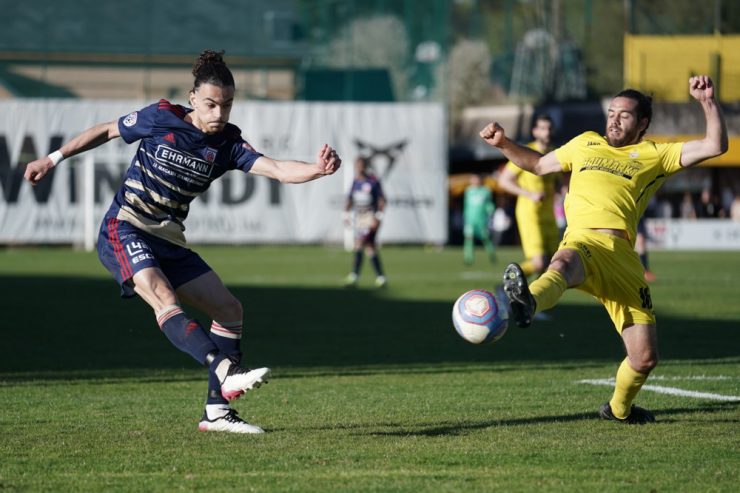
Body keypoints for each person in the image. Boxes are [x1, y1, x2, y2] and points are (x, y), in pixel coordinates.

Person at [24, 50, 342, 434]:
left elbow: (275, 169)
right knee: (163, 297)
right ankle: (225, 371)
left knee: (229, 309)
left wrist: (316, 169)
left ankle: (217, 413)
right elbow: (107, 130)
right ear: (192, 98)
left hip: (168, 238)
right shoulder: (162, 118)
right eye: (210, 104)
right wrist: (52, 158)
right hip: (125, 226)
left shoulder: (227, 144)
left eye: (226, 106)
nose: (218, 114)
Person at [479, 75, 727, 425]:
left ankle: (619, 410)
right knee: (562, 263)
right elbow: (536, 164)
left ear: (642, 124)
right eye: (611, 112)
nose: (613, 119)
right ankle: (528, 302)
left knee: (644, 358)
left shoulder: (656, 154)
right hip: (582, 240)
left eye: (624, 115)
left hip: (622, 257)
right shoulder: (585, 144)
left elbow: (715, 145)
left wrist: (707, 102)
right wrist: (504, 143)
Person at [497, 114, 560, 279]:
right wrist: (529, 194)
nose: (546, 132)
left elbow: (558, 184)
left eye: (549, 128)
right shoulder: (526, 153)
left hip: (549, 214)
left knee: (556, 263)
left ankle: (532, 297)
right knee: (539, 262)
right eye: (542, 128)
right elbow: (504, 181)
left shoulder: (554, 153)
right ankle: (507, 284)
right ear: (535, 131)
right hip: (530, 212)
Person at [343, 157, 387, 288]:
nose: (359, 167)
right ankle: (381, 277)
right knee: (370, 248)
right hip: (359, 218)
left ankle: (354, 276)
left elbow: (382, 200)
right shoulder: (355, 182)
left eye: (361, 165)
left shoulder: (372, 181)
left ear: (365, 166)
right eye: (357, 165)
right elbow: (349, 200)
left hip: (370, 218)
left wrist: (378, 217)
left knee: (359, 244)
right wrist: (345, 215)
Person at [462, 173, 496, 265]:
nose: (474, 181)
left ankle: (492, 255)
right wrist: (465, 216)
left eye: (476, 179)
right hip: (470, 220)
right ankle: (468, 258)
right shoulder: (468, 191)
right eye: (472, 179)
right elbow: (466, 205)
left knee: (485, 238)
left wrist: (490, 210)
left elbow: (489, 204)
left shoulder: (486, 190)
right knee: (469, 239)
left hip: (481, 220)